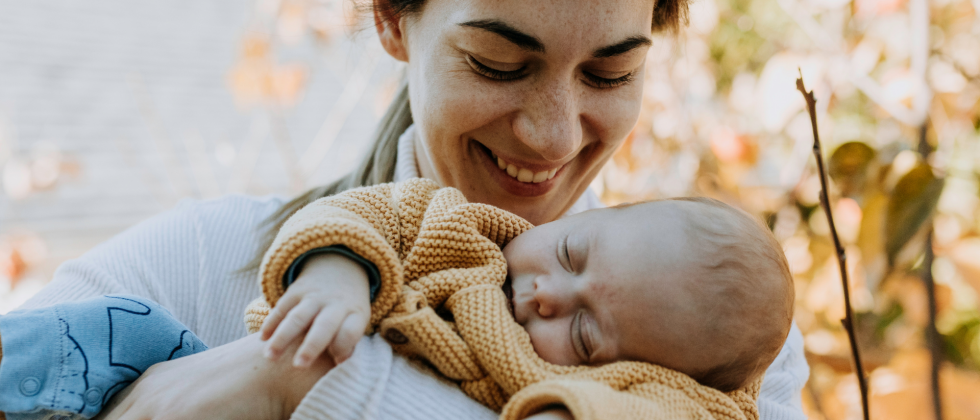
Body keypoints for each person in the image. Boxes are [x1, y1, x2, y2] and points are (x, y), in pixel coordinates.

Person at [1, 0, 808, 419]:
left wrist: (298, 386)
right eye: (498, 63)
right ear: (392, 20)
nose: (554, 133)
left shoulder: (721, 334)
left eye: (609, 75)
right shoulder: (207, 260)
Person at [0, 178, 792, 419]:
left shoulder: (672, 384)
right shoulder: (468, 228)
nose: (548, 294)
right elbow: (367, 216)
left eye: (586, 333)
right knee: (115, 332)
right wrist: (338, 275)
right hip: (158, 362)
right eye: (572, 254)